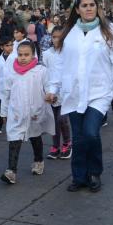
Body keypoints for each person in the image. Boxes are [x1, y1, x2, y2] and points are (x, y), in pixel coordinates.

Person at [46, 0, 113, 193]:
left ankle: (94, 172)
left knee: (91, 133)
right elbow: (59, 63)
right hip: (73, 91)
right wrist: (52, 88)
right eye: (84, 5)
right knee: (78, 137)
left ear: (97, 7)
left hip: (99, 91)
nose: (89, 8)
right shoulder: (69, 33)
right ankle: (79, 176)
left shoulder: (110, 31)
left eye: (92, 5)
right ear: (77, 10)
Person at [0, 42, 55, 184]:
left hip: (34, 112)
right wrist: (4, 112)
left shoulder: (40, 71)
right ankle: (11, 171)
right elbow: (5, 93)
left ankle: (38, 161)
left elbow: (49, 85)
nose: (23, 58)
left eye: (26, 55)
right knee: (14, 139)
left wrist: (50, 93)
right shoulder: (11, 71)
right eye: (20, 54)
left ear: (33, 55)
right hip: (16, 112)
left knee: (35, 136)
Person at [43, 26, 72, 160]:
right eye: (54, 37)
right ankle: (55, 146)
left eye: (60, 37)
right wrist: (49, 91)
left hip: (65, 92)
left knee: (62, 119)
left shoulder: (68, 53)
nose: (56, 40)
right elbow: (47, 73)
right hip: (52, 91)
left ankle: (67, 143)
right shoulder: (47, 54)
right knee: (53, 121)